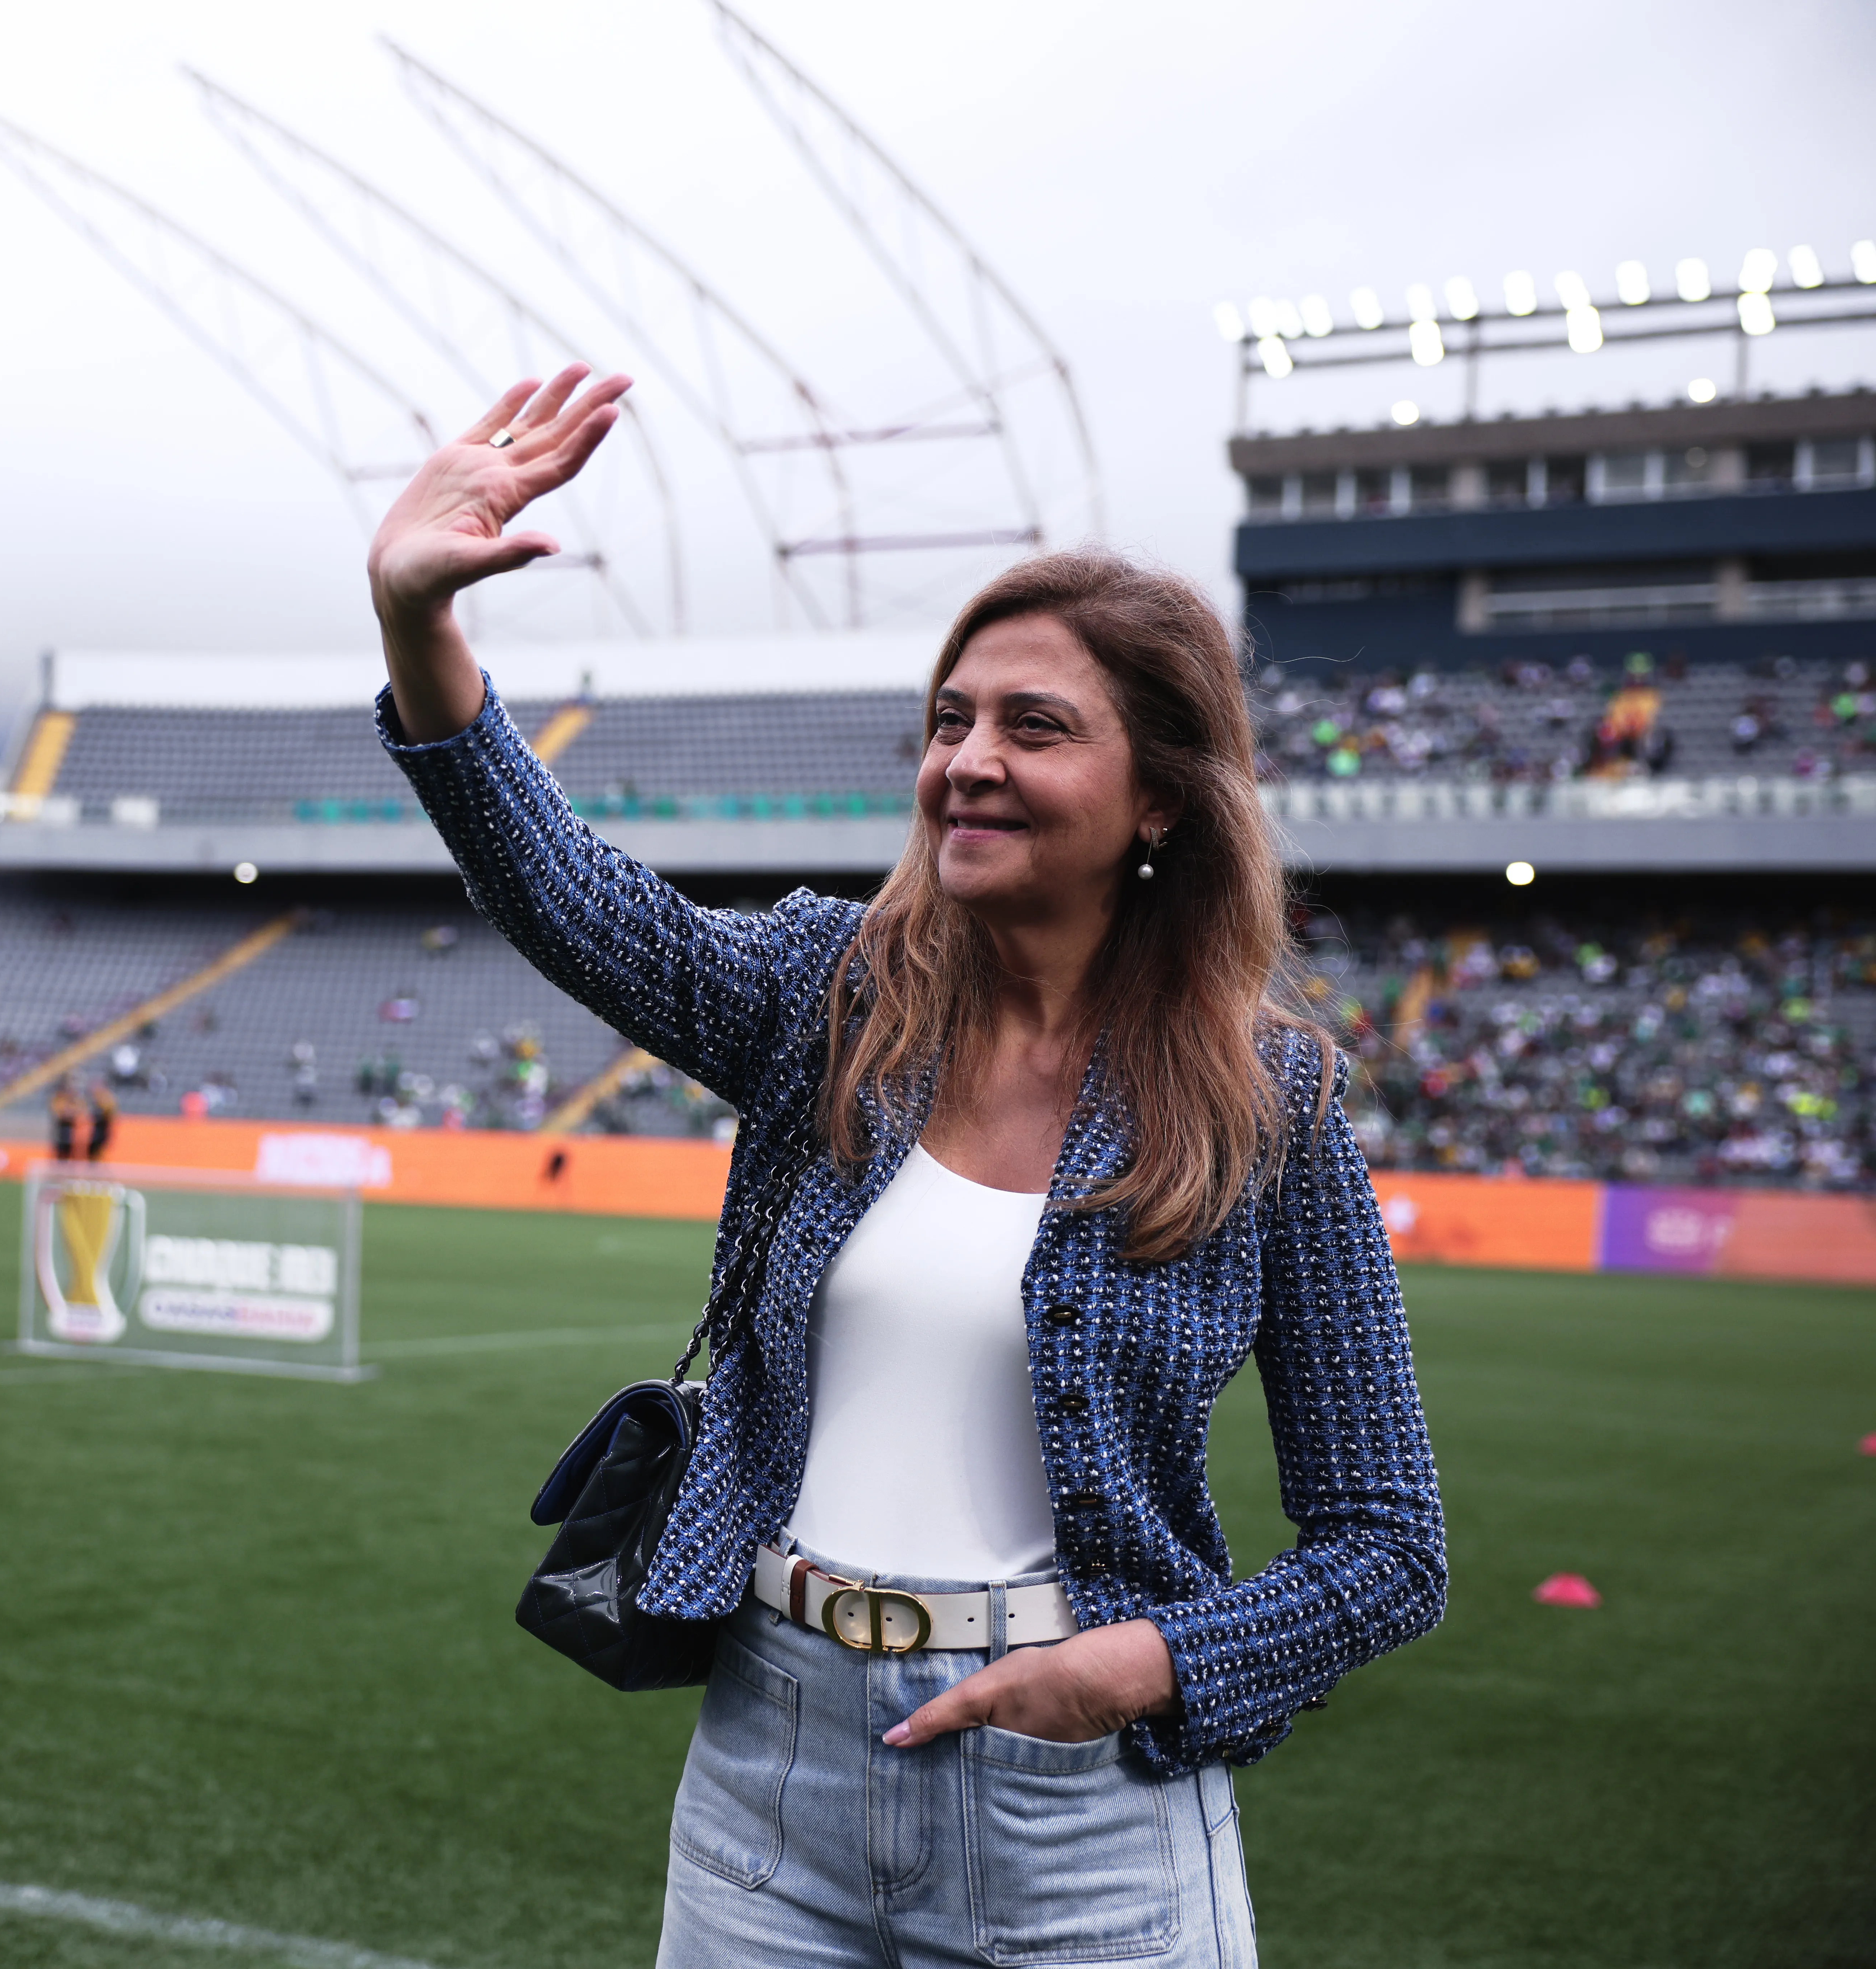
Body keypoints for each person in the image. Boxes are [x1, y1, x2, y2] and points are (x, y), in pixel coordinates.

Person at [366, 371, 1445, 1968]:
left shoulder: (1268, 1107)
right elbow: (568, 898)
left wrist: (1142, 1666)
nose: (968, 761)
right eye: (949, 722)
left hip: (1078, 1801)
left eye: (1033, 726)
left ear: (1159, 798)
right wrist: (418, 631)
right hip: (769, 1769)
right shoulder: (830, 998)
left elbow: (1387, 1544)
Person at [48, 1077, 80, 1162]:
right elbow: (57, 1113)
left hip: (71, 1130)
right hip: (61, 1129)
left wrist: (70, 1113)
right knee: (60, 1151)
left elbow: (78, 1112)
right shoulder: (59, 1100)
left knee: (70, 1151)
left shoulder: (73, 1101)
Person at [85, 1080, 117, 1162]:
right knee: (92, 1152)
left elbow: (110, 1113)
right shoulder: (96, 1102)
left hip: (103, 1130)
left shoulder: (108, 1100)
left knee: (99, 1151)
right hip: (96, 1131)